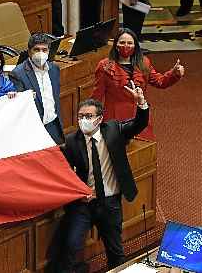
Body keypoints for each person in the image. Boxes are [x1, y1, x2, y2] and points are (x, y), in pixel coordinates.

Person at [59, 85, 149, 272]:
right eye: (81, 116)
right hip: (83, 203)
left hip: (109, 202)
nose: (84, 120)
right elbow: (65, 172)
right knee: (71, 246)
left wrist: (141, 103)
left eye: (89, 116)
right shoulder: (71, 141)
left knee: (115, 250)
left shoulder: (114, 130)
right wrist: (80, 191)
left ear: (99, 119)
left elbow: (138, 124)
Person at [91, 28, 184, 141]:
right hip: (115, 120)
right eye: (122, 42)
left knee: (143, 152)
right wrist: (92, 122)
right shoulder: (105, 66)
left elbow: (160, 82)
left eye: (130, 43)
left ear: (135, 46)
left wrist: (174, 73)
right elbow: (97, 96)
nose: (126, 46)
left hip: (140, 116)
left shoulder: (143, 62)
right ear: (116, 45)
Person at [9, 33, 64, 144]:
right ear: (29, 52)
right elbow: (20, 106)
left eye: (44, 50)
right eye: (36, 50)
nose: (41, 53)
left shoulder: (54, 69)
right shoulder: (18, 74)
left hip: (54, 125)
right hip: (34, 129)